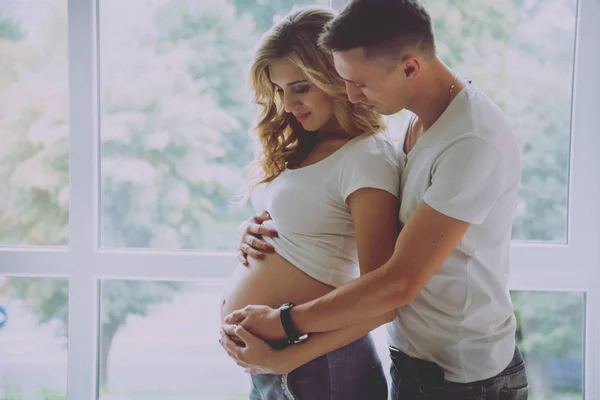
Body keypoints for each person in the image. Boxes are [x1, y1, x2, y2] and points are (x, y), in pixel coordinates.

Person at [221, 0, 529, 399]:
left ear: (409, 67)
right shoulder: (418, 121)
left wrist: (285, 327)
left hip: (466, 375)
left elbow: (396, 285)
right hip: (415, 358)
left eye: (359, 83)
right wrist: (262, 233)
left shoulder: (472, 140)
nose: (350, 94)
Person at [218, 6, 402, 400]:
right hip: (279, 368)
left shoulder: (367, 156)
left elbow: (382, 301)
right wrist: (248, 231)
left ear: (336, 75)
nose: (287, 104)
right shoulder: (306, 146)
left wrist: (288, 359)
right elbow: (303, 224)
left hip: (318, 366)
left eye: (300, 88)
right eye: (280, 90)